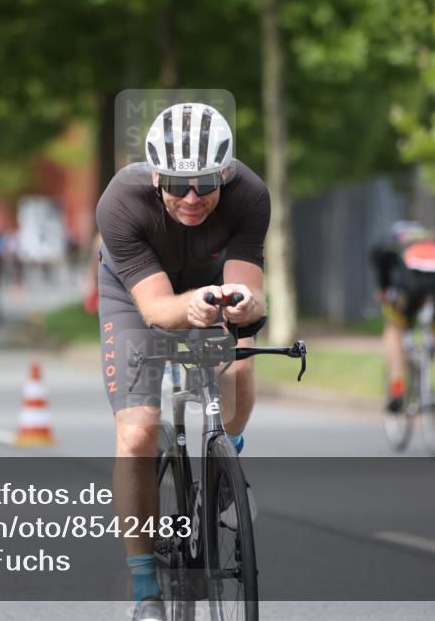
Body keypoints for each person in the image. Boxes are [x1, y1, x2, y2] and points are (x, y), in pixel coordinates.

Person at [95, 103, 269, 621]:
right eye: (176, 185)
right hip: (135, 294)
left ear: (227, 172)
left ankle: (224, 463)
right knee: (138, 433)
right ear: (154, 176)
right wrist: (187, 307)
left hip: (213, 283)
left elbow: (251, 296)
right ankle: (145, 588)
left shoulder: (249, 194)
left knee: (240, 362)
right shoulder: (120, 202)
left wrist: (243, 304)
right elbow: (155, 310)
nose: (192, 198)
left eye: (206, 184)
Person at [369, 220, 435, 413]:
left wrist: (384, 290)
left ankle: (398, 390)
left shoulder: (391, 238)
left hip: (413, 284)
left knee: (394, 329)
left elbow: (381, 261)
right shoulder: (430, 238)